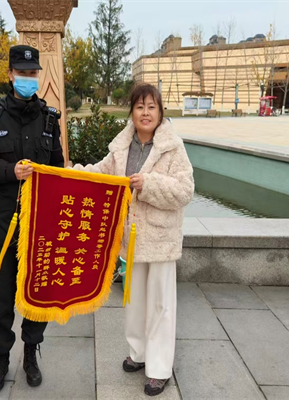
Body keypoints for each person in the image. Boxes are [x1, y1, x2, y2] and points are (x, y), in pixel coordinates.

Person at [72, 84, 194, 396]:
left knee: (161, 305)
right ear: (132, 111)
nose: (145, 113)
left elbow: (185, 191)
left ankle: (159, 369)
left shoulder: (173, 148)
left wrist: (148, 184)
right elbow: (99, 175)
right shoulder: (122, 147)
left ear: (160, 112)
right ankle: (138, 353)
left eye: (152, 107)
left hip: (161, 240)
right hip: (133, 239)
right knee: (135, 301)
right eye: (140, 107)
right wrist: (67, 173)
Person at [0, 45, 64, 393]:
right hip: (4, 225)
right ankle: (1, 358)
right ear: (10, 75)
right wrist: (11, 170)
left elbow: (59, 170)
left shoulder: (50, 119)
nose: (28, 78)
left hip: (38, 226)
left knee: (37, 293)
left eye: (32, 73)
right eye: (22, 73)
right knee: (2, 296)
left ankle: (30, 354)